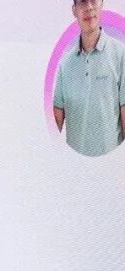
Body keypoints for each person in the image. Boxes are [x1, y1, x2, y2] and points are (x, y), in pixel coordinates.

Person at [53, 0, 125, 157]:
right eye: (83, 2)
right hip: (75, 164)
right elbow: (56, 119)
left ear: (102, 4)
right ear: (74, 10)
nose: (89, 7)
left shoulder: (121, 54)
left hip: (111, 161)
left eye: (93, 1)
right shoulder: (65, 64)